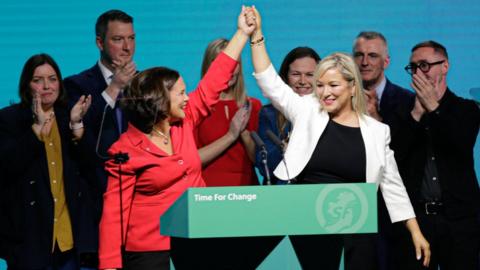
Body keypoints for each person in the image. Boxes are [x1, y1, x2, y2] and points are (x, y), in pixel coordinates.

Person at [249, 7, 430, 270]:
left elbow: (392, 185)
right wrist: (256, 35)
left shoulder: (377, 131)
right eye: (320, 85)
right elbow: (269, 82)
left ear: (352, 86)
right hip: (309, 224)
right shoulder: (307, 110)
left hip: (358, 228)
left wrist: (414, 230)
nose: (324, 92)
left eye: (333, 85)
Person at [98, 6, 256, 270]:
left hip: (197, 239)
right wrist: (110, 266)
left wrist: (241, 33)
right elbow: (114, 214)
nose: (187, 98)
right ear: (161, 100)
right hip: (151, 253)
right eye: (181, 93)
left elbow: (213, 82)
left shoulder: (184, 121)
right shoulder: (126, 150)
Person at [0, 53, 94, 269]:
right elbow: (7, 167)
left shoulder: (69, 118)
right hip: (28, 239)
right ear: (26, 85)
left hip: (69, 239)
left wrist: (77, 126)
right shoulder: (9, 120)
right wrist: (36, 131)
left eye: (52, 79)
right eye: (38, 80)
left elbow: (90, 167)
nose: (47, 86)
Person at [392, 40, 480, 270]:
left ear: (445, 66)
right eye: (413, 67)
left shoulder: (467, 109)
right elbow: (394, 160)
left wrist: (434, 107)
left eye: (425, 65)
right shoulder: (402, 112)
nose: (419, 73)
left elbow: (459, 145)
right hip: (417, 222)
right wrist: (415, 115)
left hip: (459, 221)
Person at [352, 31, 415, 270]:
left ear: (386, 61)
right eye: (359, 55)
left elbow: (407, 157)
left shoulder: (408, 101)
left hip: (393, 214)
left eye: (372, 55)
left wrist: (376, 119)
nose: (365, 62)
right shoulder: (336, 98)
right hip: (350, 208)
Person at [64, 9, 136, 194]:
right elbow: (81, 130)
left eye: (131, 38)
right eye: (118, 39)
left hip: (140, 187)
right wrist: (115, 87)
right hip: (98, 188)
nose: (127, 47)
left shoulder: (145, 83)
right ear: (100, 43)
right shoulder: (77, 85)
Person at [195, 37, 262, 187]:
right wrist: (230, 136)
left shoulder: (253, 106)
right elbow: (191, 160)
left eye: (234, 63)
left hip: (247, 193)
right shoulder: (195, 107)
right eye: (220, 64)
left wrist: (243, 132)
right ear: (208, 66)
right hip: (207, 192)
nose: (228, 70)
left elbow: (259, 161)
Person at [255, 46, 320, 184]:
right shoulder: (269, 114)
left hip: (317, 191)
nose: (303, 81)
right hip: (281, 194)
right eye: (296, 74)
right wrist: (286, 148)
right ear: (284, 77)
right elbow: (263, 164)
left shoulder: (329, 113)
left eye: (310, 75)